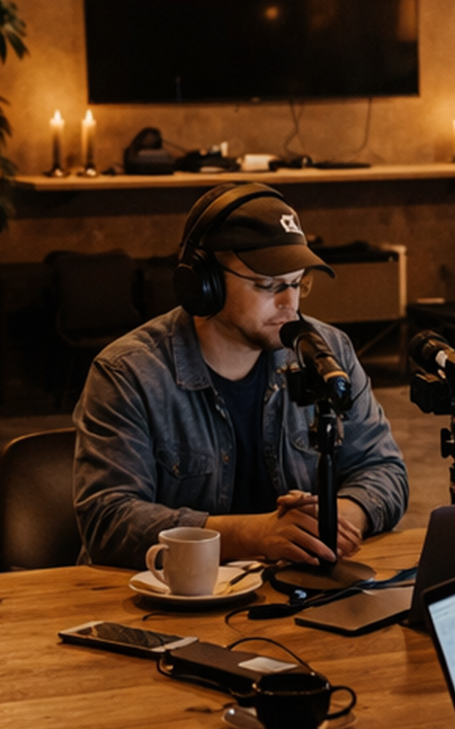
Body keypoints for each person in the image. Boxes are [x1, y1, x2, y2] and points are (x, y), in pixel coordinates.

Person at [75, 182, 408, 570]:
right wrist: (256, 534)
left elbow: (383, 468)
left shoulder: (328, 352)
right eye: (268, 285)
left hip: (288, 597)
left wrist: (334, 518)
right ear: (205, 283)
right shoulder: (128, 373)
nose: (290, 303)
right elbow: (107, 521)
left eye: (297, 283)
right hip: (166, 604)